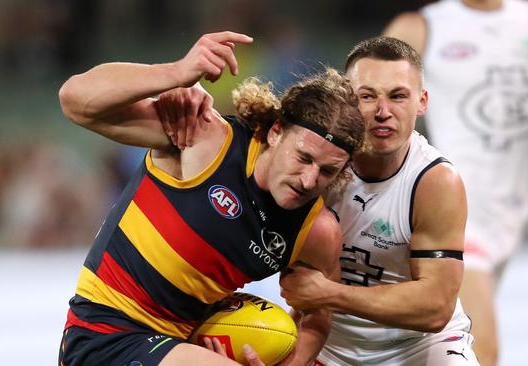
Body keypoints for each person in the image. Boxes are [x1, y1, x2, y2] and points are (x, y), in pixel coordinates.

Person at [57, 31, 365, 366]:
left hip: (178, 342)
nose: (309, 180)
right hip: (102, 333)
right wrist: (174, 74)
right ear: (276, 132)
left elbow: (318, 312)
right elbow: (75, 100)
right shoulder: (202, 138)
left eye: (327, 171)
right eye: (303, 158)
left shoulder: (316, 231)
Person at [383, 1, 528, 365]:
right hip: (451, 213)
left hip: (509, 217)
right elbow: (360, 102)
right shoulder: (420, 28)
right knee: (479, 351)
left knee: (437, 354)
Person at [278, 37, 479, 365]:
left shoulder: (435, 181)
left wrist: (329, 294)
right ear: (345, 100)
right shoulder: (313, 163)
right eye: (367, 97)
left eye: (398, 96)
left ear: (422, 101)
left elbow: (436, 307)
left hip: (419, 348)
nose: (383, 112)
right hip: (328, 346)